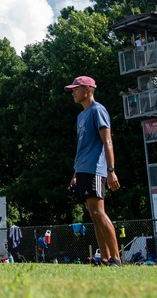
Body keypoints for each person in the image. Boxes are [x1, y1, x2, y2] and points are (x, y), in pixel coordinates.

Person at [65, 76, 122, 267]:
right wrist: (75, 173)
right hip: (83, 169)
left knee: (98, 212)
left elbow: (108, 141)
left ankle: (116, 258)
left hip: (95, 169)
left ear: (87, 90)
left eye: (76, 89)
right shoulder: (81, 116)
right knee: (92, 213)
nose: (73, 92)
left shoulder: (98, 110)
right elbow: (83, 146)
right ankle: (104, 259)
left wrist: (111, 170)